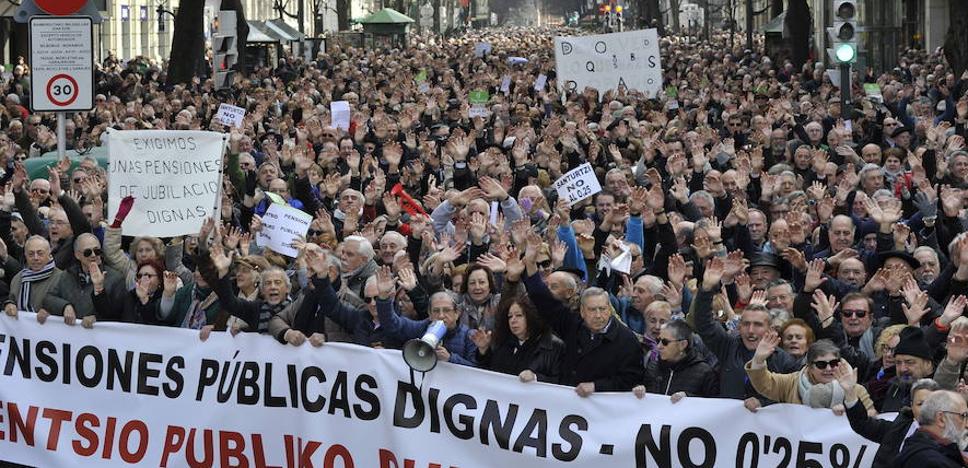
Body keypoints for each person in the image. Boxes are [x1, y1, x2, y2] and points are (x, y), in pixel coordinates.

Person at [374, 266, 478, 367]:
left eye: (447, 310)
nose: (441, 316)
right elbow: (392, 325)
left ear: (457, 313)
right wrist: (383, 297)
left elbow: (479, 372)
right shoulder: (422, 327)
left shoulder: (469, 336)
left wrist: (450, 359)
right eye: (436, 311)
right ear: (430, 314)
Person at [842, 376, 939, 468]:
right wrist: (850, 392)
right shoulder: (898, 427)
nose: (925, 409)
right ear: (912, 406)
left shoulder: (947, 437)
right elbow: (862, 424)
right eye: (920, 404)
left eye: (930, 403)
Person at [470, 292, 564, 383]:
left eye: (519, 315)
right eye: (510, 316)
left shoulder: (553, 346)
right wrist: (484, 351)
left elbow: (560, 382)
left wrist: (535, 378)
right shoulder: (503, 341)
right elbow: (489, 374)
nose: (513, 320)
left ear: (532, 316)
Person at [635, 320, 718, 401]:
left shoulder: (704, 373)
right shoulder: (653, 367)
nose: (658, 346)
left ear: (682, 345)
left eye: (665, 342)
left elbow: (713, 406)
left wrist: (689, 398)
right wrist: (640, 390)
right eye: (658, 340)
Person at [892, 390, 968, 467]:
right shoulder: (932, 462)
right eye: (963, 416)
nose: (967, 424)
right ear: (941, 419)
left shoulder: (919, 446)